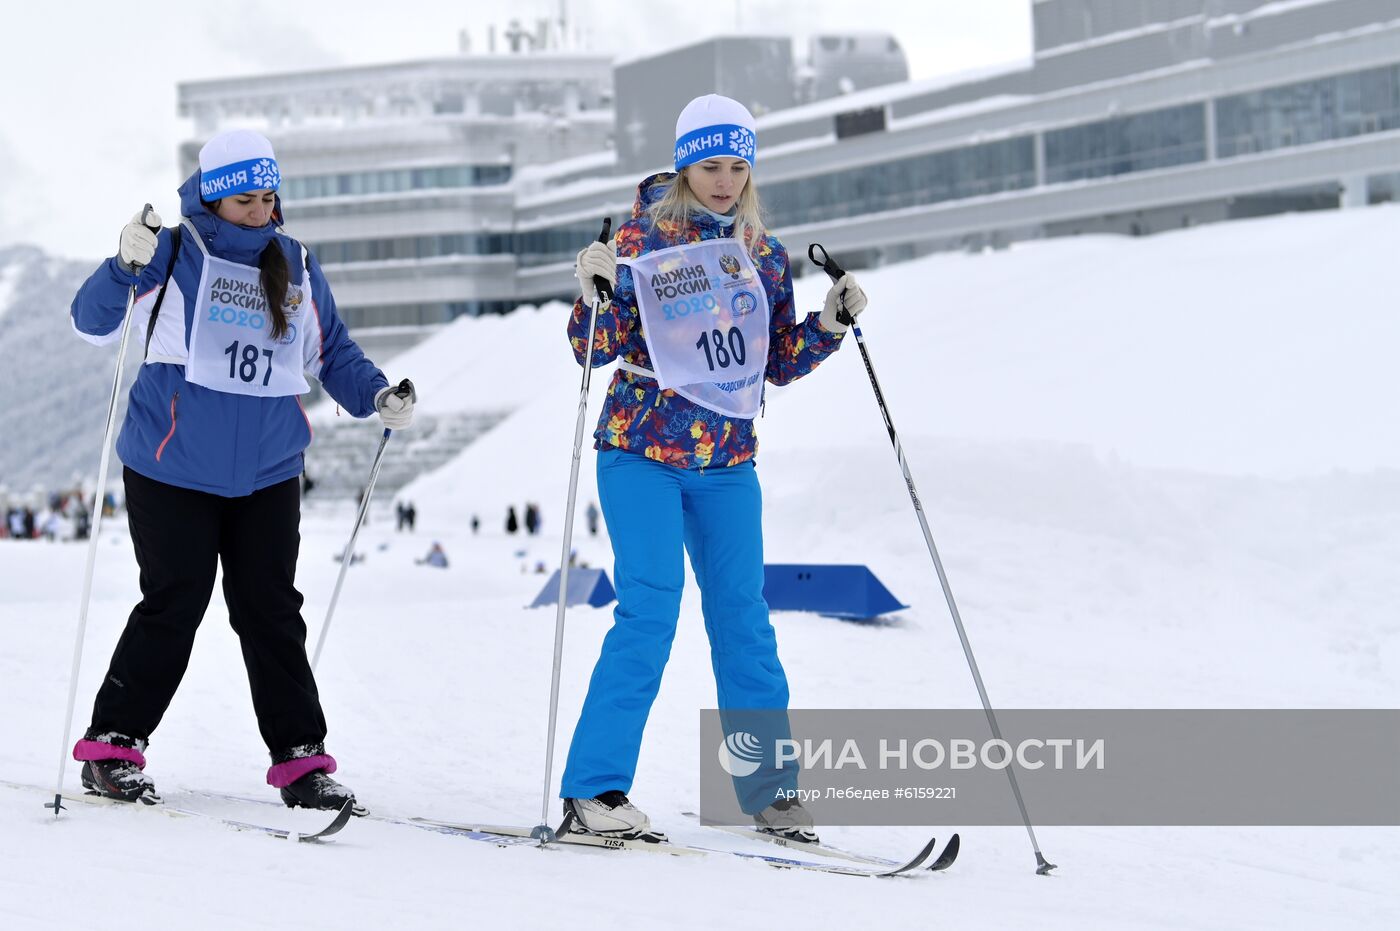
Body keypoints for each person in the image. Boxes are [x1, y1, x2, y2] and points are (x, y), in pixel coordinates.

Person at [68, 129, 416, 814]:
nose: (259, 211)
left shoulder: (294, 262)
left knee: (270, 608)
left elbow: (331, 350)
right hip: (172, 464)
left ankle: (301, 759)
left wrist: (375, 395)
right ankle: (113, 743)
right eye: (242, 201)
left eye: (267, 197)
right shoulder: (170, 254)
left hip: (266, 468)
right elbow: (90, 323)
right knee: (176, 599)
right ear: (211, 200)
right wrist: (119, 266)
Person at [559, 94, 867, 842]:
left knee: (743, 617)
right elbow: (592, 350)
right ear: (684, 164)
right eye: (710, 165)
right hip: (640, 451)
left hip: (728, 460)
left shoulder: (761, 251)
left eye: (737, 166)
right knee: (651, 609)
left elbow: (775, 361)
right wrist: (590, 291)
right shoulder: (639, 236)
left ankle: (770, 787)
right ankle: (593, 789)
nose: (724, 180)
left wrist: (829, 323)